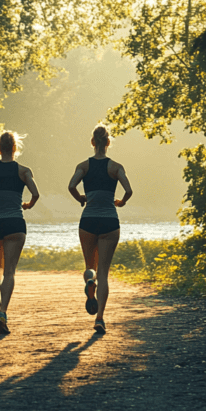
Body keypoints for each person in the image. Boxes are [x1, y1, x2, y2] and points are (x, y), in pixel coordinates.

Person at [68, 123, 133, 333]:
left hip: (88, 220)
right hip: (109, 222)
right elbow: (129, 189)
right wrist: (121, 201)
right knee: (104, 273)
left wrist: (80, 198)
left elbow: (71, 186)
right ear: (108, 143)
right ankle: (100, 318)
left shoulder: (83, 166)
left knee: (90, 266)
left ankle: (89, 280)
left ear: (92, 143)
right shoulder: (116, 167)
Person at [0, 130, 40, 334]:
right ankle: (2, 312)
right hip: (15, 225)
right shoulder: (24, 171)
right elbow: (35, 193)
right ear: (14, 148)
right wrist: (28, 204)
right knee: (10, 271)